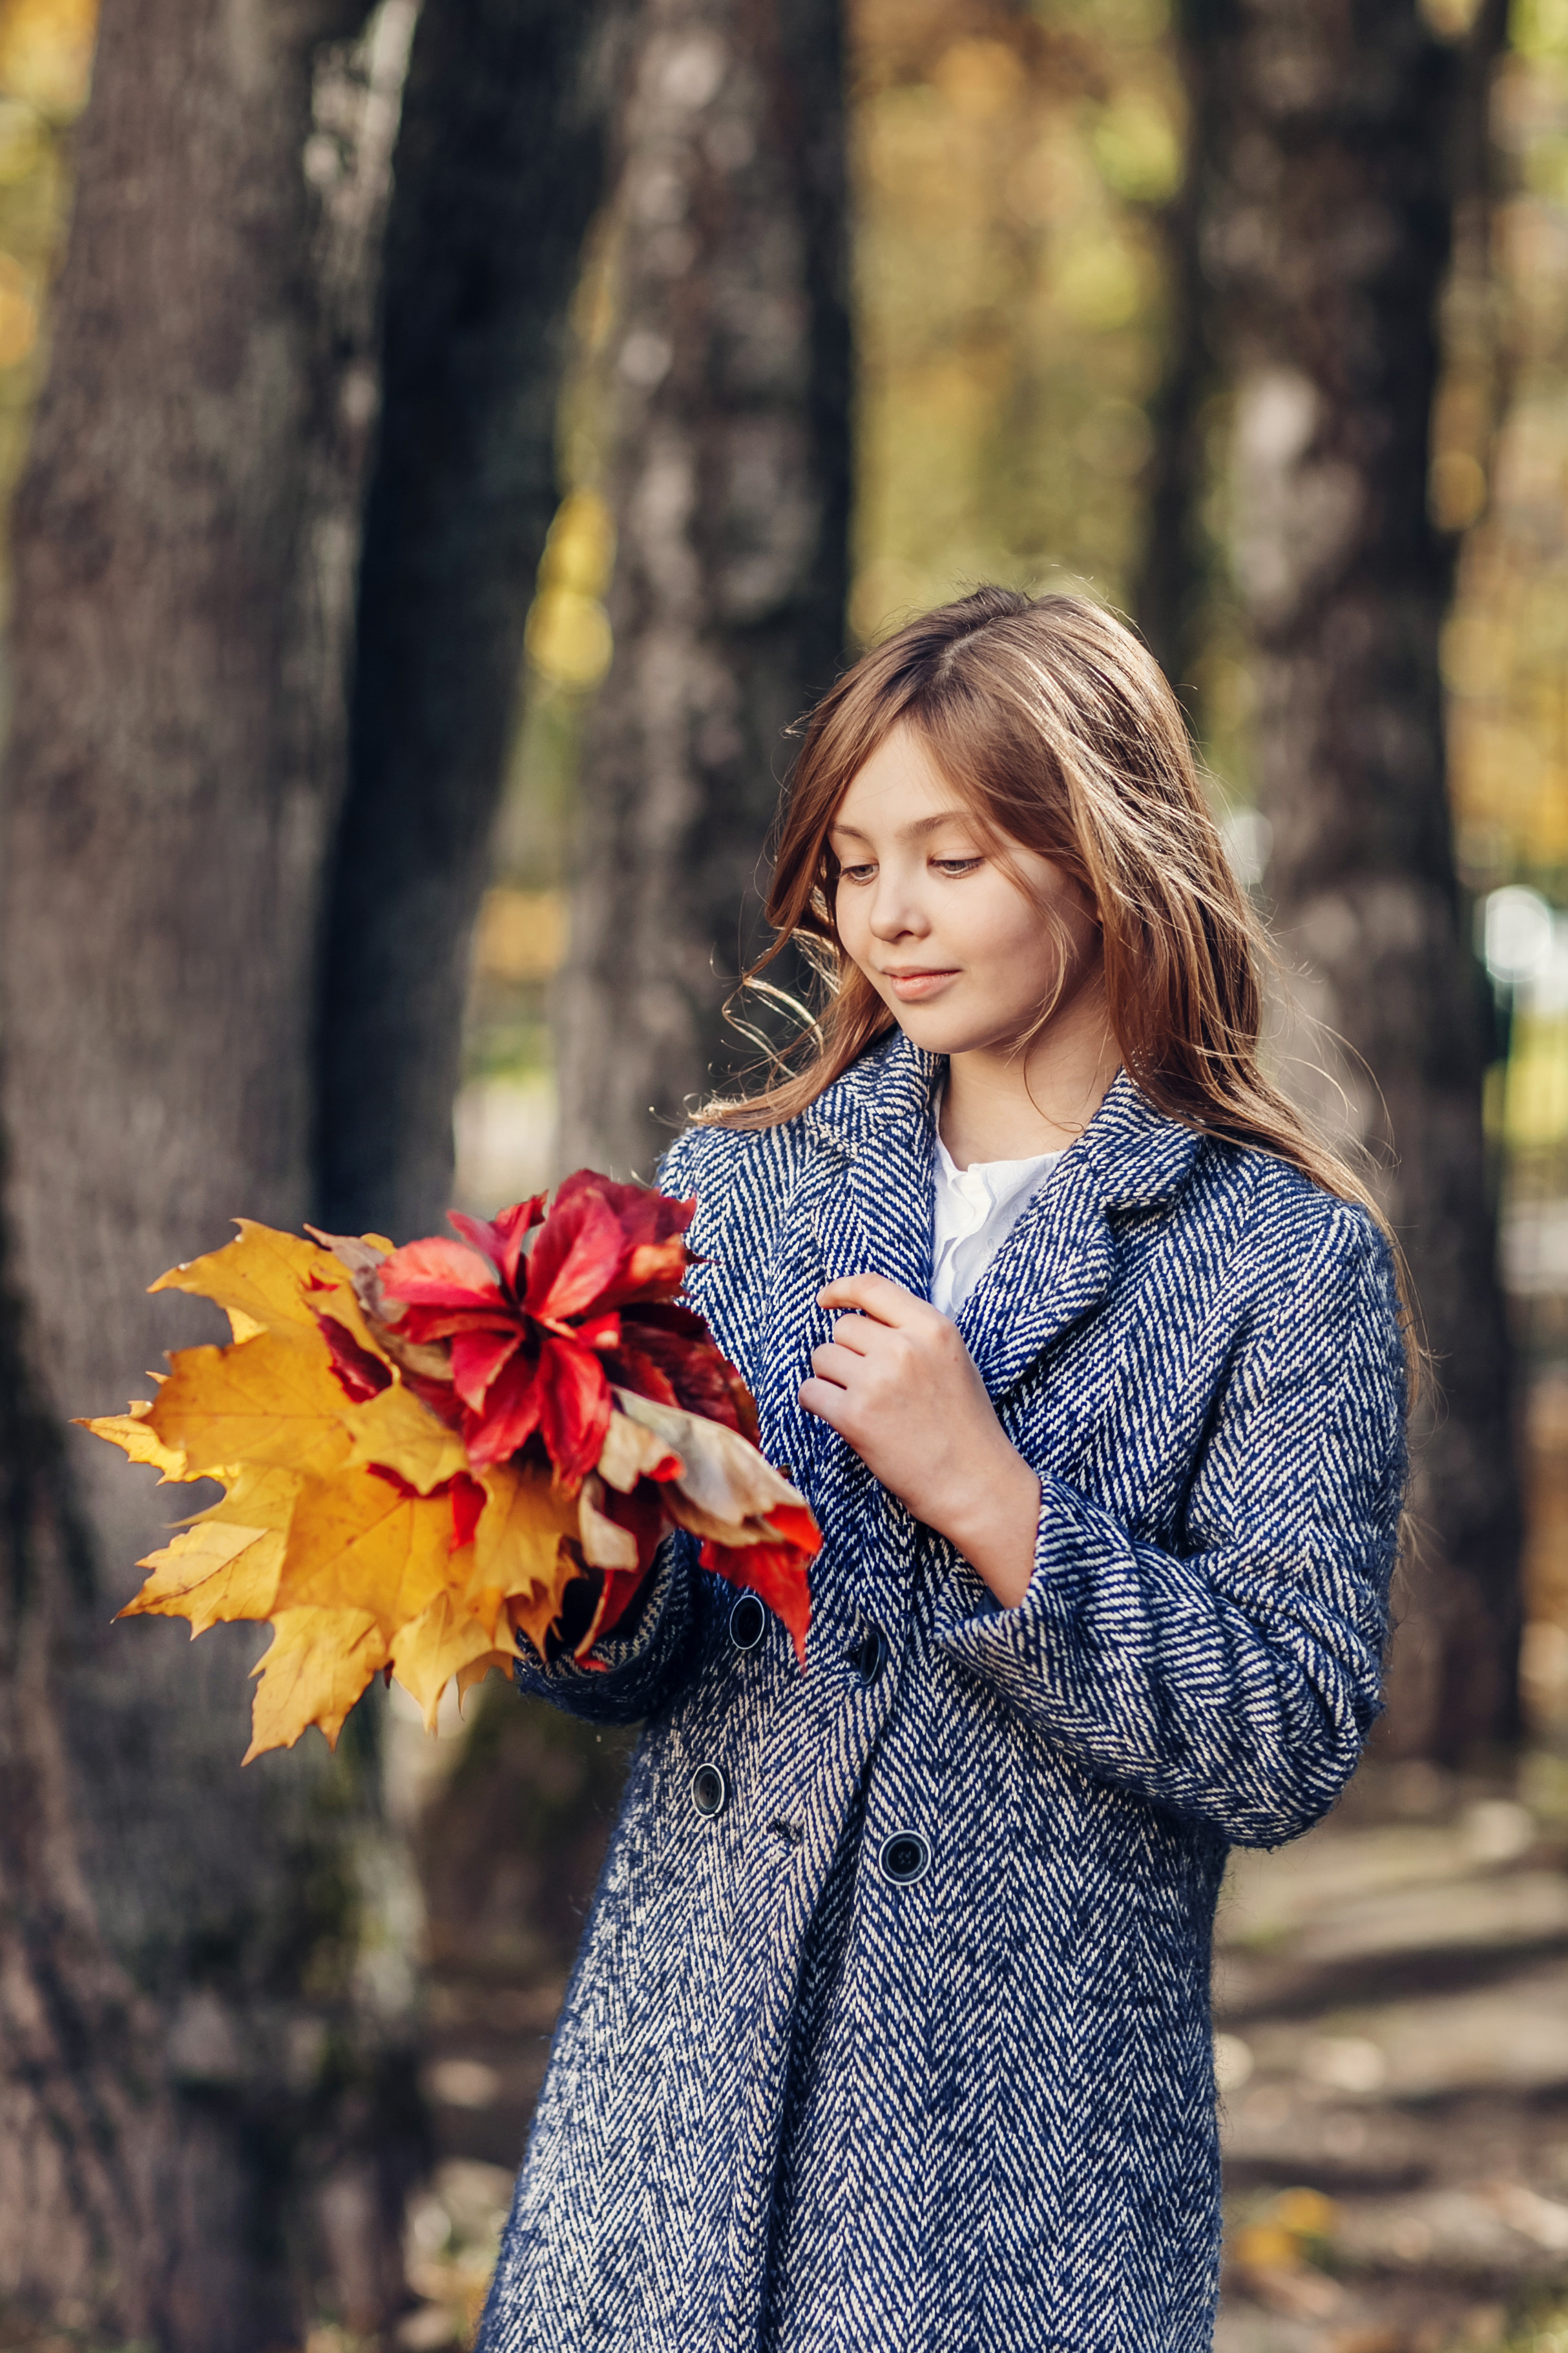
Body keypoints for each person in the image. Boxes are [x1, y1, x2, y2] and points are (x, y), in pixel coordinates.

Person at [475, 587, 1410, 2353]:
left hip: (1010, 2198)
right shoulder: (740, 1186)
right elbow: (642, 1668)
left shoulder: (1286, 1259)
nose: (887, 914)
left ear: (1106, 855)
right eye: (852, 865)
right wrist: (583, 1555)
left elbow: (1286, 1734)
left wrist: (995, 1498)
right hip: (660, 2160)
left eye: (951, 858)